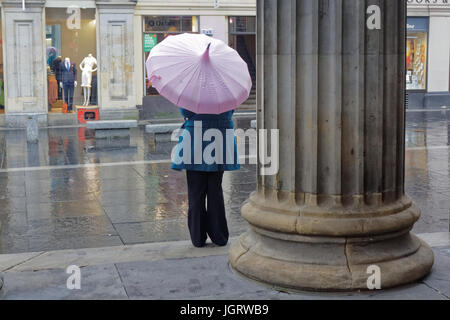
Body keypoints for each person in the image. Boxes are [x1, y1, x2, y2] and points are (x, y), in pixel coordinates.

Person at [172, 108, 240, 248]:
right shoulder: (224, 90)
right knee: (215, 190)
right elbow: (230, 110)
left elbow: (185, 112)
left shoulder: (193, 90)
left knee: (196, 192)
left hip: (195, 136)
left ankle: (198, 237)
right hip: (219, 135)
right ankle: (219, 236)